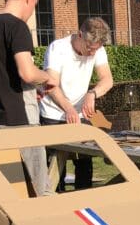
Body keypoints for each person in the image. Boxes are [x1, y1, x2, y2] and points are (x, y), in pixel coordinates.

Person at [0, 0, 57, 196]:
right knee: (41, 191)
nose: (32, 12)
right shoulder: (17, 27)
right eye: (34, 5)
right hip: (22, 122)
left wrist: (30, 91)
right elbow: (27, 72)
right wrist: (48, 77)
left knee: (8, 192)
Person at [39, 17, 114, 191]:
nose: (92, 53)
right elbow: (51, 85)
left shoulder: (97, 49)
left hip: (80, 116)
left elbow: (107, 79)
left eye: (96, 49)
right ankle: (56, 202)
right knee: (56, 168)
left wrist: (92, 93)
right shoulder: (57, 49)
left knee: (85, 163)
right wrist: (68, 108)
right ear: (80, 35)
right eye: (89, 47)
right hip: (53, 115)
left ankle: (85, 202)